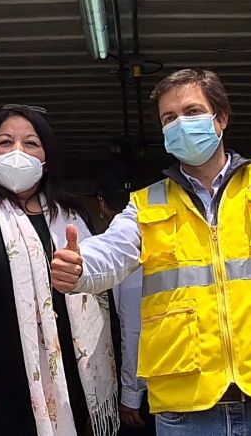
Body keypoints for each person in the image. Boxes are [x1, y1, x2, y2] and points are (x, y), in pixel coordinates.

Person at [49, 69, 251, 436]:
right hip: (186, 413)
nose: (180, 124)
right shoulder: (147, 205)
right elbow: (109, 252)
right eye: (169, 119)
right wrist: (80, 267)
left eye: (191, 112)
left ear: (220, 119)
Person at [0, 105, 119, 436]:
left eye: (31, 143)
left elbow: (101, 281)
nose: (17, 152)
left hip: (72, 381)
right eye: (6, 142)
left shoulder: (72, 217)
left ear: (46, 159)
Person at [96, 185, 154, 436]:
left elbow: (134, 330)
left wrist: (131, 393)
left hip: (145, 386)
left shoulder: (124, 253)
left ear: (101, 204)